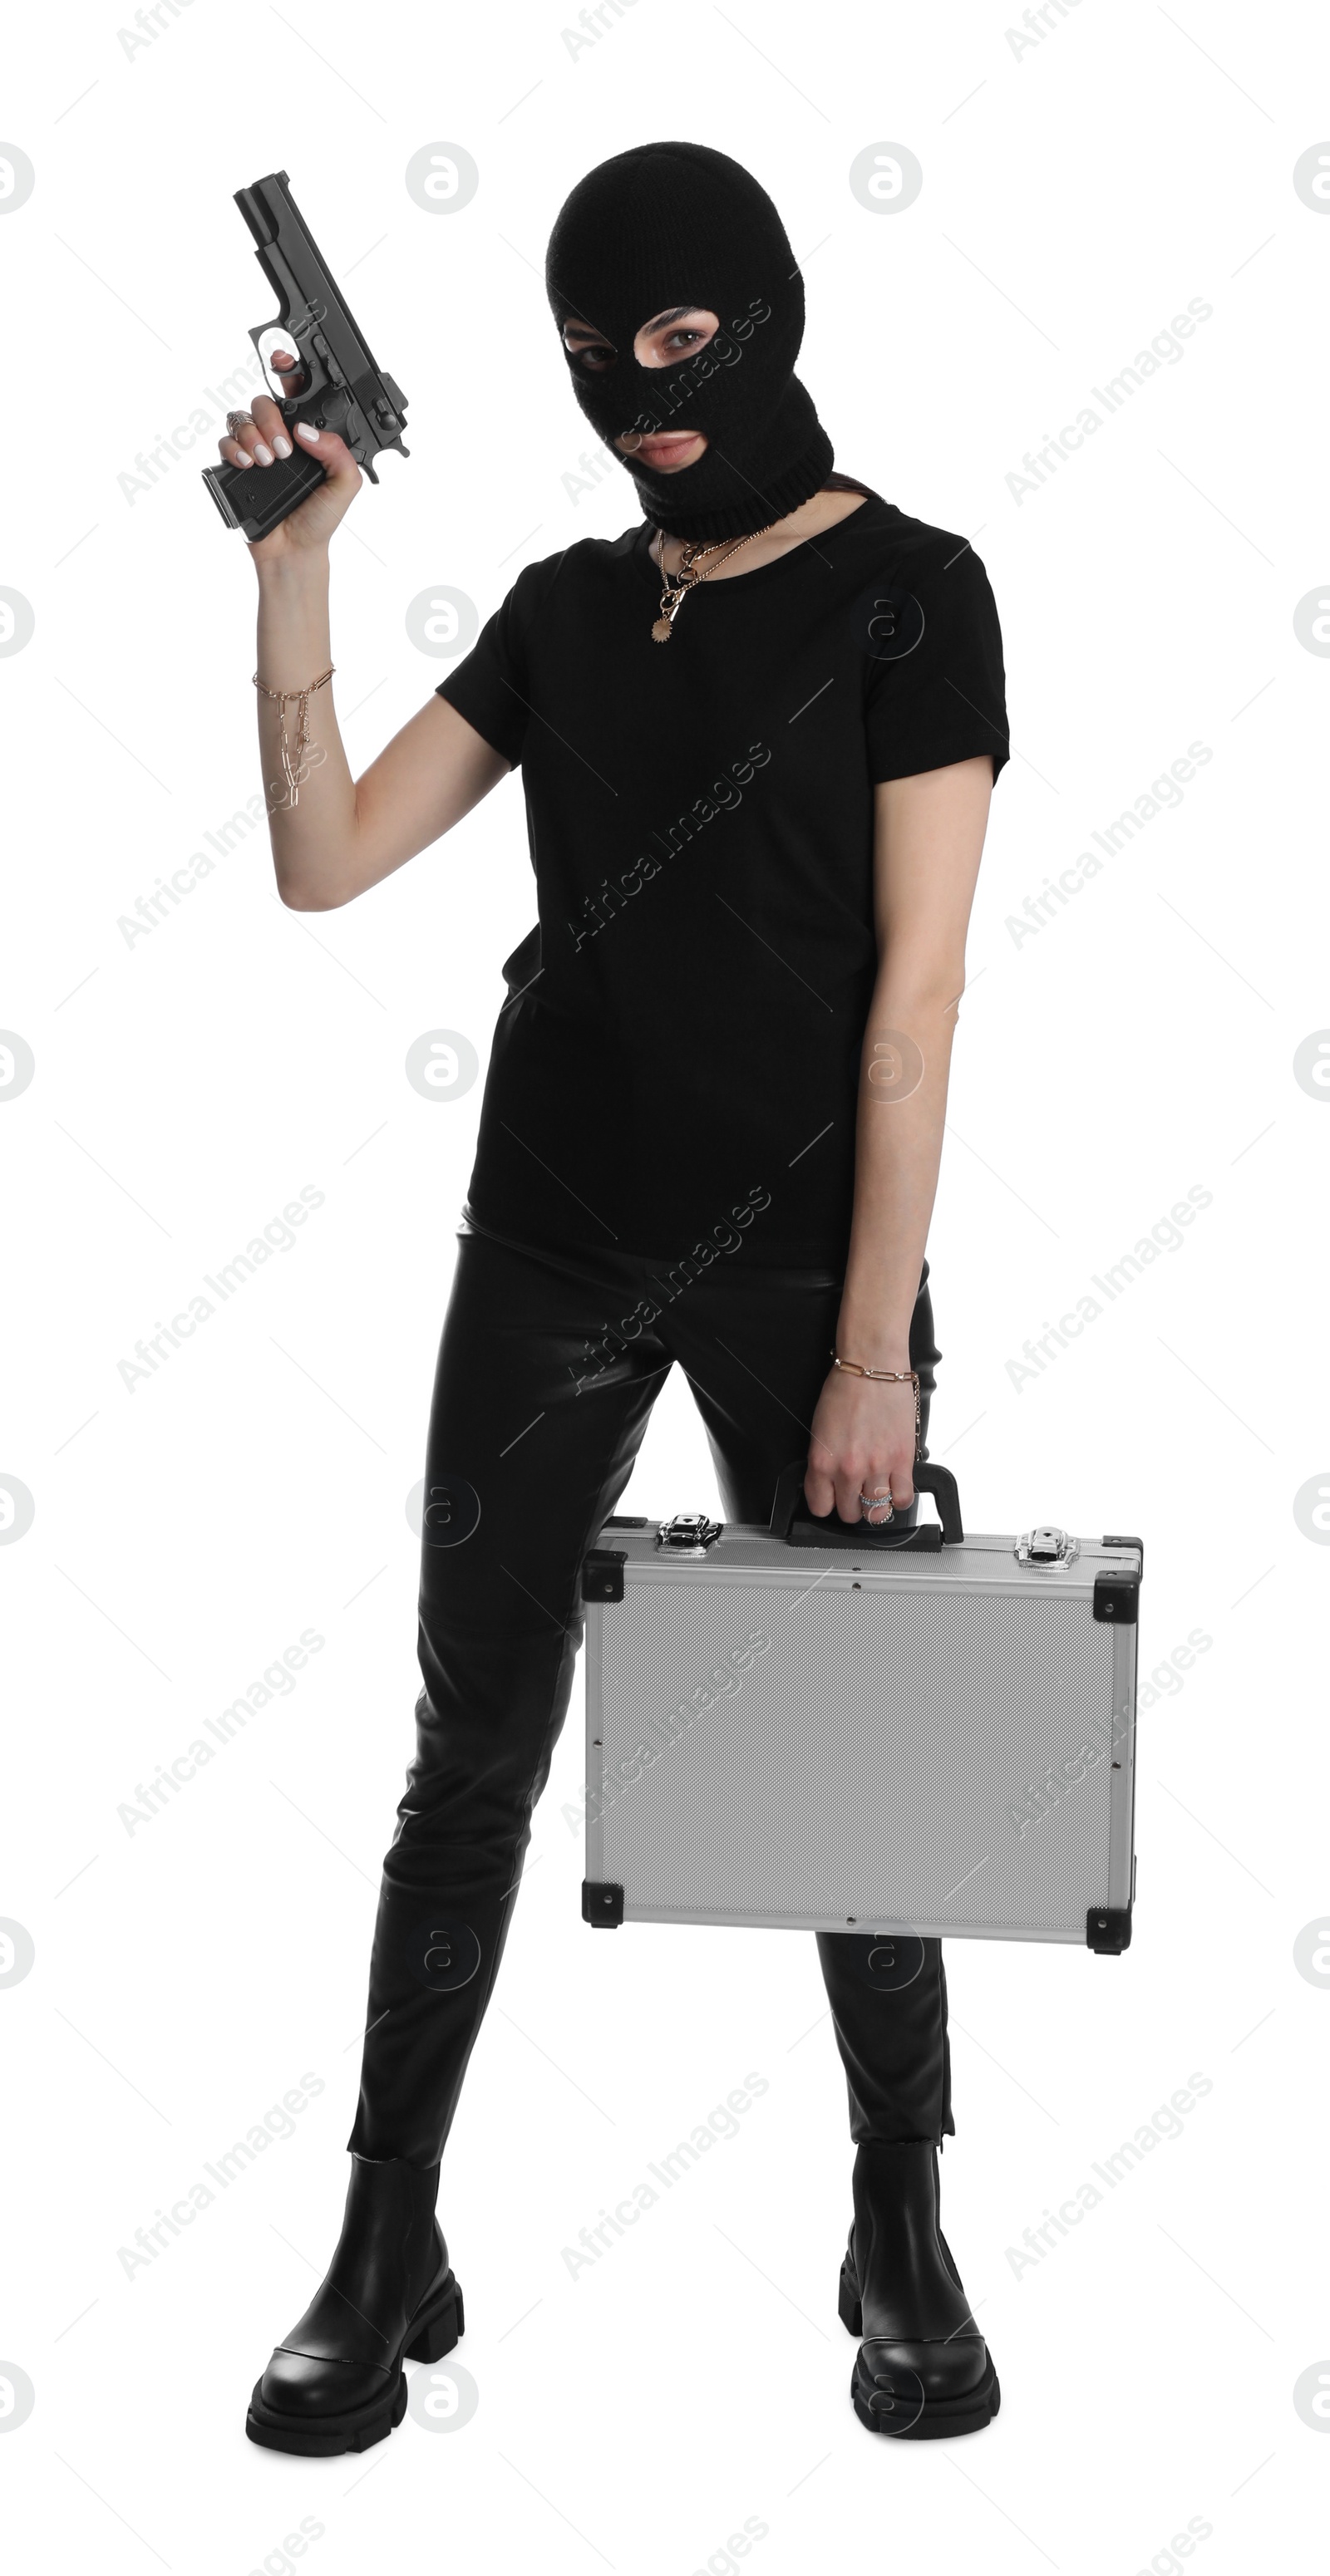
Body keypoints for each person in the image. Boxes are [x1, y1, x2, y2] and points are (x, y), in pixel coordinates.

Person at [227, 140, 1010, 2455]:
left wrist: (873, 1343)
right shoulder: (570, 608)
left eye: (676, 345)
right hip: (550, 1230)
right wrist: (298, 571)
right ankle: (386, 2238)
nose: (642, 398)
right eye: (595, 362)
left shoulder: (916, 593)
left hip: (799, 1269)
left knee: (854, 1759)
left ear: (765, 313)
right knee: (466, 1755)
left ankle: (900, 2223)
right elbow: (322, 858)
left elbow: (921, 996)